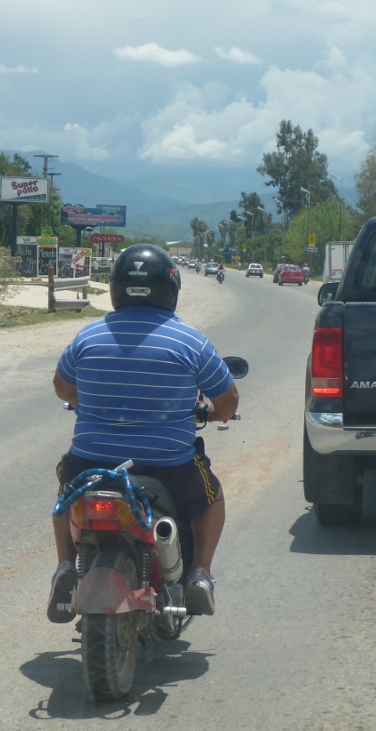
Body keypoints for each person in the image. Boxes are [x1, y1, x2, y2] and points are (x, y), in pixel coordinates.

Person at [48, 244, 239, 623]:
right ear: (170, 289)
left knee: (65, 491)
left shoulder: (88, 337)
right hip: (168, 467)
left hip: (90, 463)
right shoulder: (189, 341)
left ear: (116, 288)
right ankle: (200, 575)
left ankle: (65, 566)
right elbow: (228, 400)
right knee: (212, 498)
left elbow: (63, 388)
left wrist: (86, 401)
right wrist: (216, 413)